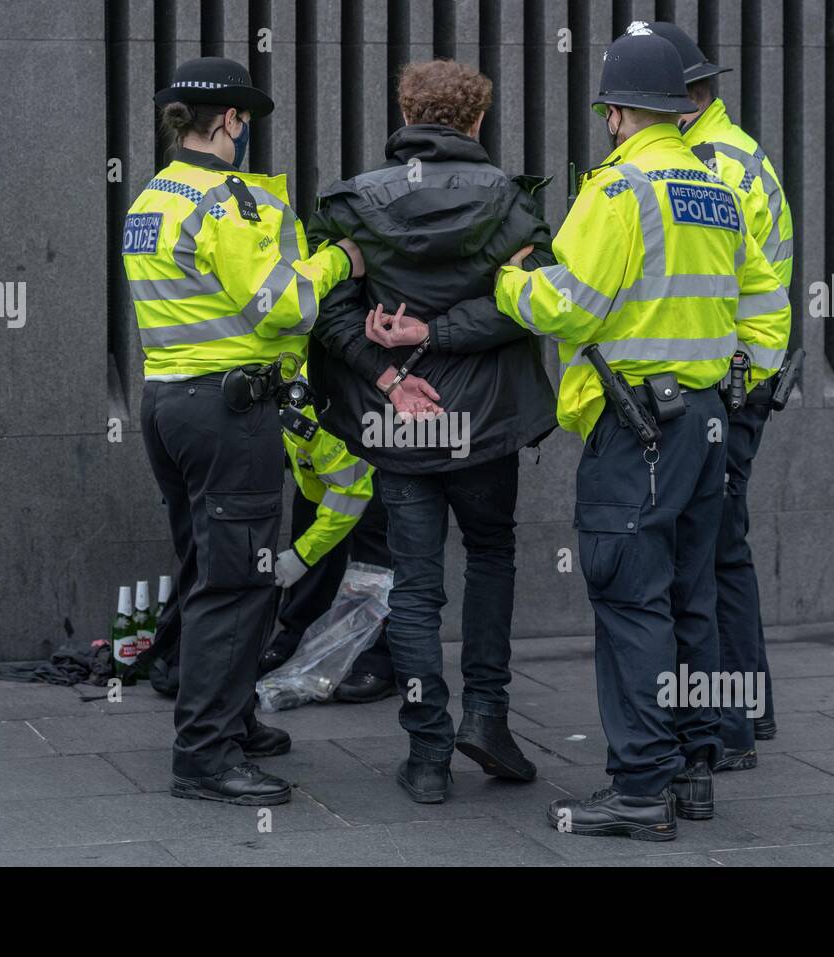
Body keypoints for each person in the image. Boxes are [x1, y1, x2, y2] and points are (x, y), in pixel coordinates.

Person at [493, 29, 790, 839]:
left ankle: (638, 786)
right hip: (705, 423)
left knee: (630, 599)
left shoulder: (618, 190)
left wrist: (511, 283)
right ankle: (694, 772)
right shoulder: (717, 189)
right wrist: (741, 385)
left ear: (618, 111)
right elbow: (766, 300)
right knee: (693, 597)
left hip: (637, 431)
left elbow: (573, 304)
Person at [307, 59, 557, 804]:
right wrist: (443, 328)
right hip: (485, 423)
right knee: (490, 557)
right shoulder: (509, 202)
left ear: (407, 111)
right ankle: (488, 714)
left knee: (414, 587)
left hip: (401, 420)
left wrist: (387, 372)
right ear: (476, 120)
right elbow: (529, 303)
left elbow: (329, 311)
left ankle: (426, 751)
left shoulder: (356, 201)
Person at [123, 56, 364, 806]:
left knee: (206, 568)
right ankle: (205, 754)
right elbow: (282, 308)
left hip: (168, 403)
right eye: (245, 122)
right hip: (231, 412)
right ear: (230, 121)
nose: (246, 133)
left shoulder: (152, 197)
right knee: (237, 584)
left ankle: (233, 717)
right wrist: (336, 260)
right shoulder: (226, 200)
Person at [649, 20, 794, 762]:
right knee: (724, 549)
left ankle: (727, 727)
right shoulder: (736, 152)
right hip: (744, 379)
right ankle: (749, 707)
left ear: (683, 99)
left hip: (726, 385)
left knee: (706, 556)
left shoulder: (709, 164)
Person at [260, 379, 397, 704]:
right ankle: (297, 635)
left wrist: (300, 557)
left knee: (377, 552)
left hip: (379, 429)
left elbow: (351, 495)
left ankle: (381, 658)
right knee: (311, 520)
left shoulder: (325, 420)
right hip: (319, 444)